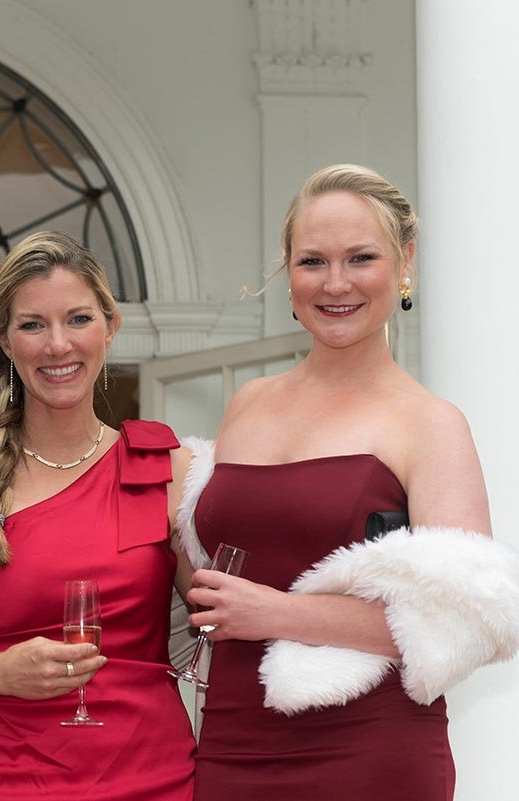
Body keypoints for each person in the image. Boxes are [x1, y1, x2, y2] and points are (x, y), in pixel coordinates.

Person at [175, 164, 519, 800]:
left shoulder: (431, 424)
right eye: (313, 261)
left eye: (361, 257)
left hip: (371, 752)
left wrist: (275, 613)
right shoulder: (247, 402)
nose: (336, 284)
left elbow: (470, 619)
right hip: (230, 743)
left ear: (404, 261)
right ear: (288, 270)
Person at [0, 231, 197, 801]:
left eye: (78, 319)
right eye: (33, 325)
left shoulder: (164, 467)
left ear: (111, 328)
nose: (59, 345)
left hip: (157, 780)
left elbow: (216, 630)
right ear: (3, 341)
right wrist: (1, 674)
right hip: (3, 782)